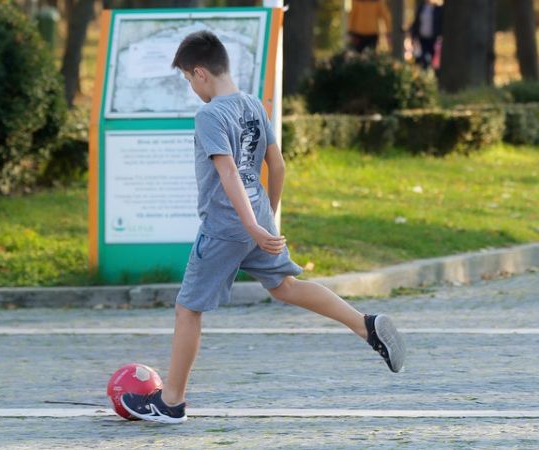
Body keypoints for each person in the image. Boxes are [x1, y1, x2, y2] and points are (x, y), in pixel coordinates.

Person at [121, 30, 406, 424]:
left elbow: (228, 174)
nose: (192, 88)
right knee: (285, 287)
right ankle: (366, 326)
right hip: (256, 219)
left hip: (225, 227)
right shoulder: (253, 105)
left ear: (200, 72)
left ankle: (170, 402)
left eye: (189, 79)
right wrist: (266, 217)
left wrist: (253, 226)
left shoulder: (209, 114)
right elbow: (279, 164)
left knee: (187, 310)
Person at [410, 0, 443, 70]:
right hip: (422, 38)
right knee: (423, 56)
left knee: (431, 57)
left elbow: (440, 23)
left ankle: (429, 72)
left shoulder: (438, 9)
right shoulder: (421, 8)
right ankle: (424, 71)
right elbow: (416, 22)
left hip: (433, 39)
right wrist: (413, 35)